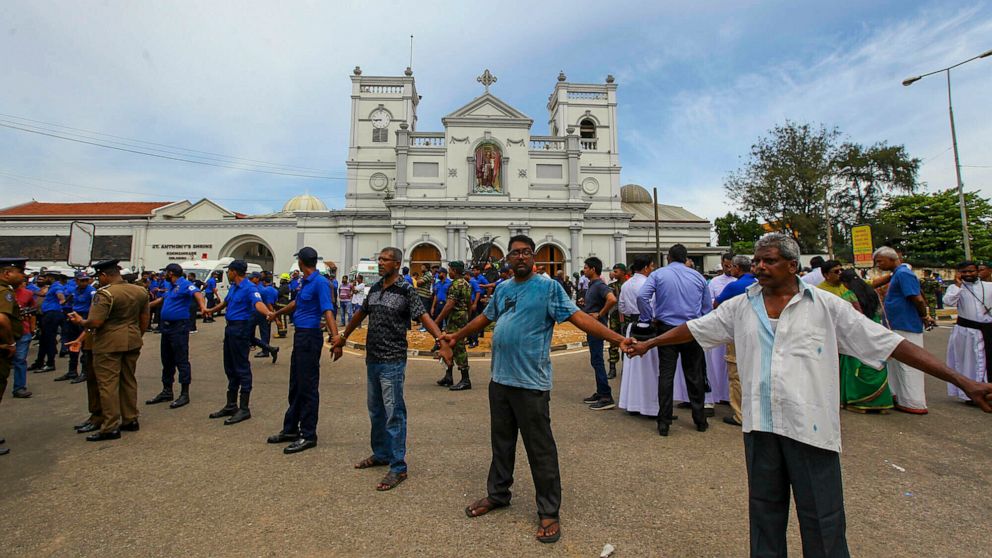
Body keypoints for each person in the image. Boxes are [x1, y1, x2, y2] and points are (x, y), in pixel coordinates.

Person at [629, 232, 992, 557]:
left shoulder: (826, 307)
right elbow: (694, 329)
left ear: (792, 265)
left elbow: (892, 344)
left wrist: (964, 381)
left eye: (769, 261)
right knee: (765, 516)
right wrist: (650, 344)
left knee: (823, 520)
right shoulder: (741, 306)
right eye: (756, 261)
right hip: (761, 428)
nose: (759, 267)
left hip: (811, 430)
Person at [440, 235, 633, 544]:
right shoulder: (503, 289)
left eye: (525, 253)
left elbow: (580, 317)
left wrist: (616, 339)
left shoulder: (548, 288)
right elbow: (484, 318)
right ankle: (498, 494)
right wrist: (456, 337)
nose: (520, 257)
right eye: (514, 253)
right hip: (500, 380)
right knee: (501, 443)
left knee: (540, 449)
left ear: (534, 258)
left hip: (530, 383)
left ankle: (548, 511)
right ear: (507, 259)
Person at [332, 247, 448, 491]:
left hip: (393, 361)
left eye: (385, 260)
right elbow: (360, 314)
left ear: (397, 264)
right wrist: (343, 338)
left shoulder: (406, 290)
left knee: (394, 412)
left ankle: (398, 466)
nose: (380, 263)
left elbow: (423, 316)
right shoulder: (374, 290)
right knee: (376, 411)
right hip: (372, 359)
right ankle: (381, 454)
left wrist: (441, 340)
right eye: (379, 259)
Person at [267, 247, 340, 454]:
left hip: (310, 338)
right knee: (296, 384)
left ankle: (308, 434)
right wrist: (277, 314)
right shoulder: (304, 283)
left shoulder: (320, 283)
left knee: (307, 386)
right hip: (300, 336)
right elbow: (295, 304)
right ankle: (290, 429)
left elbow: (328, 310)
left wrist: (336, 338)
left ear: (301, 262)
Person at [66, 260, 150, 442]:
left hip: (108, 343)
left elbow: (95, 322)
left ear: (104, 275)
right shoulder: (140, 291)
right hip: (132, 339)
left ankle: (110, 425)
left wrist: (80, 321)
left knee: (108, 384)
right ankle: (130, 418)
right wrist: (137, 335)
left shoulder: (105, 294)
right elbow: (145, 318)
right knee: (128, 380)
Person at [637, 243, 712, 436]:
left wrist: (648, 316)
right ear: (687, 258)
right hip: (691, 329)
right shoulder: (698, 277)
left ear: (668, 257)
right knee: (694, 374)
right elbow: (707, 308)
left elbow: (642, 297)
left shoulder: (659, 274)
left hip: (666, 328)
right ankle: (700, 419)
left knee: (666, 374)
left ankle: (664, 421)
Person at [204, 260, 274, 425]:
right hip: (230, 329)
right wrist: (210, 311)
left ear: (234, 272)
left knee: (241, 367)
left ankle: (244, 408)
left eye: (229, 271)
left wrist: (269, 313)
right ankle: (231, 404)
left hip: (241, 329)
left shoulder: (250, 288)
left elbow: (258, 303)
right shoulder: (234, 287)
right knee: (229, 366)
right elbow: (225, 303)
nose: (227, 274)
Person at [819, 261, 895, 414]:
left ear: (846, 283)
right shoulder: (871, 291)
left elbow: (854, 317)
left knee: (854, 366)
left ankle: (858, 401)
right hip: (872, 329)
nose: (839, 274)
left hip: (854, 333)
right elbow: (880, 312)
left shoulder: (848, 294)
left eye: (841, 271)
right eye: (836, 271)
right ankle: (881, 402)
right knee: (876, 364)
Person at [873, 246, 934, 414]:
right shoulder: (897, 274)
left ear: (892, 259)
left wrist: (924, 317)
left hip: (906, 324)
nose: (878, 265)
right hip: (896, 325)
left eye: (880, 261)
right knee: (896, 364)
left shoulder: (904, 274)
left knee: (910, 363)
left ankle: (913, 402)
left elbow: (917, 299)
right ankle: (899, 397)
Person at [145, 263, 208, 409]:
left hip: (179, 327)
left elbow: (198, 294)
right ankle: (167, 391)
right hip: (166, 328)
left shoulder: (185, 284)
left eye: (166, 272)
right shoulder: (169, 286)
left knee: (181, 359)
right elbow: (162, 299)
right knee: (166, 360)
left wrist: (203, 307)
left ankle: (184, 393)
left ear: (171, 273)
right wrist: (144, 306)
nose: (164, 275)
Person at [713, 255, 757, 426]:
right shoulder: (759, 283)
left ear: (737, 268)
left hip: (738, 333)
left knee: (736, 373)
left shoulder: (734, 286)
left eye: (731, 267)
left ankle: (740, 414)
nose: (730, 270)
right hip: (760, 332)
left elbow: (717, 304)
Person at [943, 261, 992, 403]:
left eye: (971, 271)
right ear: (959, 273)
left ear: (977, 271)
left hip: (987, 330)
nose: (968, 274)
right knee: (967, 363)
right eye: (964, 272)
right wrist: (958, 285)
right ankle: (969, 394)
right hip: (966, 332)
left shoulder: (988, 286)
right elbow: (948, 302)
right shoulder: (955, 288)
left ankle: (987, 391)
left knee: (987, 363)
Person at [618, 255, 659, 415]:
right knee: (650, 367)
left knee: (632, 368)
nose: (653, 269)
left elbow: (621, 306)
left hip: (632, 325)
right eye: (652, 266)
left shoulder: (626, 285)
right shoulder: (648, 284)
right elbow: (654, 305)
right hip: (647, 326)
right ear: (647, 267)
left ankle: (632, 403)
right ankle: (650, 407)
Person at [580, 257, 617, 410]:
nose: (584, 270)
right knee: (595, 360)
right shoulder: (592, 285)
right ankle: (600, 391)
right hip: (591, 327)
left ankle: (606, 396)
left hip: (597, 328)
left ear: (593, 269)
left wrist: (600, 314)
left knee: (597, 360)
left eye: (586, 267)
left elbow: (612, 299)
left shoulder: (600, 285)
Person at [0, 257, 29, 455]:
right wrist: (10, 342)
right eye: (19, 271)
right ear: (7, 273)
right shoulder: (4, 292)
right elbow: (2, 319)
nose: (23, 276)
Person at [435, 261, 473, 390]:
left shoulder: (456, 285)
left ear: (455, 271)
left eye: (450, 270)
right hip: (462, 317)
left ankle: (465, 379)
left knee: (458, 347)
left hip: (455, 318)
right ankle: (448, 376)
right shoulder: (467, 284)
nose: (449, 272)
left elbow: (449, 304)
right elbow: (470, 304)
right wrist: (467, 318)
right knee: (448, 345)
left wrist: (437, 320)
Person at [54, 272, 96, 382]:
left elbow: (94, 306)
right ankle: (72, 371)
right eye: (81, 280)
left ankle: (84, 372)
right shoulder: (74, 290)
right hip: (74, 316)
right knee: (73, 343)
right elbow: (67, 303)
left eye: (86, 280)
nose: (84, 282)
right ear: (76, 280)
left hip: (85, 317)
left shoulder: (91, 291)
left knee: (85, 347)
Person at [28, 271, 65, 373]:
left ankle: (50, 363)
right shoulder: (52, 286)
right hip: (48, 314)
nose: (44, 279)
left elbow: (60, 294)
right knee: (44, 339)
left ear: (51, 277)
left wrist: (62, 299)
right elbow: (44, 294)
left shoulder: (57, 286)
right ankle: (39, 362)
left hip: (52, 315)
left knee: (49, 339)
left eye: (46, 277)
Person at [246, 273, 279, 362]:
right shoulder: (261, 289)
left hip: (256, 313)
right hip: (260, 313)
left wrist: (272, 315)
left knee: (247, 334)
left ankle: (266, 350)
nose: (249, 280)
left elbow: (268, 304)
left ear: (257, 279)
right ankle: (269, 349)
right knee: (263, 333)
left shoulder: (259, 290)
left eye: (251, 278)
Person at [11, 278, 35, 397]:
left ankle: (19, 387)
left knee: (20, 360)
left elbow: (32, 311)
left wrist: (32, 328)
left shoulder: (28, 293)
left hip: (23, 331)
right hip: (4, 332)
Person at [606, 263, 627, 379]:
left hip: (626, 317)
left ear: (624, 272)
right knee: (613, 342)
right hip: (615, 317)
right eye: (614, 271)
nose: (614, 273)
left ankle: (626, 368)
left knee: (626, 341)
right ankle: (612, 368)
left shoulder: (628, 285)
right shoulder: (611, 286)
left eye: (617, 271)